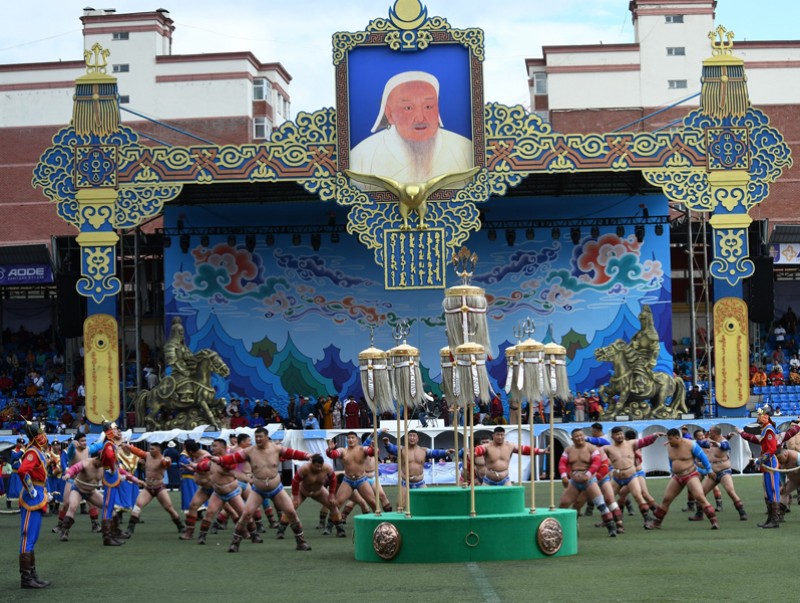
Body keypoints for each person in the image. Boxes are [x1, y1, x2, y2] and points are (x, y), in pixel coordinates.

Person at [348, 71, 473, 187]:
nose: (420, 118)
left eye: (428, 106)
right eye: (408, 108)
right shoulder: (362, 155)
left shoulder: (463, 148)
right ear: (389, 114)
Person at [211, 427, 312, 552]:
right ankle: (235, 543)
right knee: (246, 514)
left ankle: (301, 542)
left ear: (266, 437)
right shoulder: (250, 451)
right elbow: (234, 458)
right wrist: (220, 460)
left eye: (260, 437)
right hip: (258, 489)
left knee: (291, 512)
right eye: (256, 437)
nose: (258, 439)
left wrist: (307, 456)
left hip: (276, 488)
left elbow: (293, 453)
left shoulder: (277, 449)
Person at [737, 404, 800, 528]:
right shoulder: (766, 429)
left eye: (760, 415)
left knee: (773, 490)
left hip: (770, 462)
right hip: (768, 463)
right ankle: (770, 518)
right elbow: (756, 439)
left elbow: (771, 449)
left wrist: (760, 460)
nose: (758, 417)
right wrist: (742, 433)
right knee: (769, 490)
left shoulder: (769, 429)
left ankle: (774, 520)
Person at [644, 428, 719, 530]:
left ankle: (714, 521)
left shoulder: (690, 444)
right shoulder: (669, 446)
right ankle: (657, 522)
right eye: (668, 439)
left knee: (700, 497)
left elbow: (703, 457)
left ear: (677, 437)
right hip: (677, 476)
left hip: (690, 475)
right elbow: (671, 460)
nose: (669, 441)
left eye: (670, 439)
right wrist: (672, 470)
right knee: (666, 499)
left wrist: (709, 470)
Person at [558, 428, 618, 537]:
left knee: (600, 504)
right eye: (576, 436)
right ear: (572, 438)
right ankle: (563, 528)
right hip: (574, 481)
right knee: (563, 503)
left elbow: (597, 462)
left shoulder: (591, 448)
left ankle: (611, 527)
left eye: (581, 435)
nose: (579, 438)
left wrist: (588, 474)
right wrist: (563, 476)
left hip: (589, 480)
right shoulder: (568, 450)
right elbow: (562, 463)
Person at [600, 426, 664, 526]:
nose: (620, 436)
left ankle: (647, 518)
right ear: (612, 436)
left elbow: (644, 441)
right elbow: (595, 454)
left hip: (632, 476)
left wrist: (654, 436)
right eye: (617, 434)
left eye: (621, 434)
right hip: (617, 478)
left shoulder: (631, 443)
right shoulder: (608, 448)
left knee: (639, 496)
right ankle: (608, 520)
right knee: (608, 498)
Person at [120, 441, 185, 536]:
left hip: (159, 487)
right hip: (148, 487)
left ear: (158, 450)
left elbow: (167, 462)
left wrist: (167, 460)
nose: (150, 450)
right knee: (138, 505)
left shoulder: (163, 459)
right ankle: (130, 528)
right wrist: (127, 446)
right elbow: (138, 451)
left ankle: (181, 526)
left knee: (169, 508)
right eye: (150, 448)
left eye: (152, 449)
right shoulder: (147, 455)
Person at [17, 421, 52, 588]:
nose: (42, 435)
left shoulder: (37, 451)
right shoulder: (32, 452)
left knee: (33, 537)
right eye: (39, 433)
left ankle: (32, 574)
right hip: (32, 497)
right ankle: (26, 578)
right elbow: (22, 470)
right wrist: (31, 490)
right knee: (27, 537)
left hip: (38, 493)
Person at [688, 425, 748, 522]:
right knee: (700, 493)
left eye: (710, 431)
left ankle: (742, 512)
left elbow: (725, 446)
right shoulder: (709, 442)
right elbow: (699, 443)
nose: (708, 433)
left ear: (715, 433)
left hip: (724, 471)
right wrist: (683, 442)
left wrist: (717, 444)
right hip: (712, 472)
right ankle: (699, 514)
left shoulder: (723, 442)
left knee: (730, 491)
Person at [278, 453, 346, 538]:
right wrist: (295, 496)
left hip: (319, 491)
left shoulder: (327, 468)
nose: (319, 468)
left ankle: (340, 530)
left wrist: (331, 495)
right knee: (290, 508)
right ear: (312, 463)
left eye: (320, 466)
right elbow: (295, 481)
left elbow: (333, 479)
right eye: (317, 466)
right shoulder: (304, 468)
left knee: (333, 506)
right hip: (302, 491)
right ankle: (281, 530)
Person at [382, 429, 454, 507]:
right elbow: (392, 448)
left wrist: (446, 452)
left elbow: (435, 453)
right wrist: (387, 443)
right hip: (405, 484)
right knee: (400, 506)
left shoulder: (423, 450)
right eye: (410, 436)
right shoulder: (402, 450)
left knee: (428, 504)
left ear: (417, 438)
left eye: (414, 436)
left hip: (420, 483)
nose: (412, 438)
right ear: (407, 438)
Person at [473, 426, 548, 486]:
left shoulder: (510, 446)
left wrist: (542, 451)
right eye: (498, 435)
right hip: (488, 480)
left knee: (511, 499)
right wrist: (474, 452)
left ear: (504, 435)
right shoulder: (487, 446)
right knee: (483, 499)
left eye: (502, 435)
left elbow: (524, 449)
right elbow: (478, 450)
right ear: (493, 436)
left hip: (505, 480)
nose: (500, 437)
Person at [326, 431, 378, 514]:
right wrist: (330, 450)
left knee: (373, 503)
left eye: (353, 438)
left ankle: (379, 520)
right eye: (349, 438)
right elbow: (333, 455)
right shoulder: (343, 450)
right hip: (348, 481)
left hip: (362, 480)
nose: (350, 439)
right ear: (346, 440)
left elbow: (371, 452)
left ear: (357, 440)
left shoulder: (362, 449)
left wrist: (374, 449)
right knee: (337, 504)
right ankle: (331, 521)